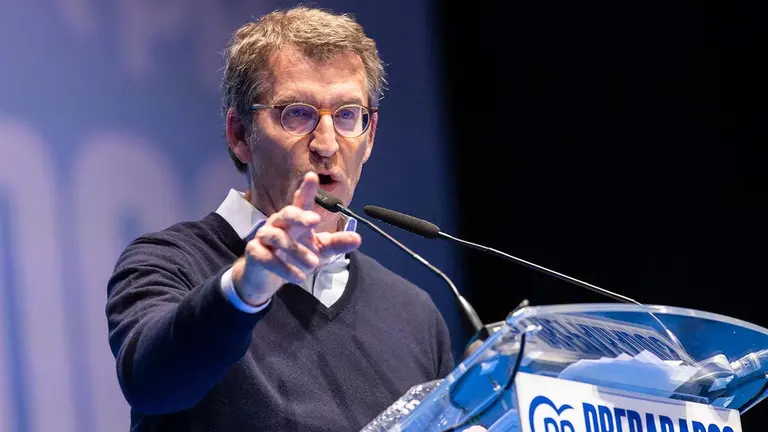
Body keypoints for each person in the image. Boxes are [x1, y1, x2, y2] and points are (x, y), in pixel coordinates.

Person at [105, 6, 487, 431]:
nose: (326, 144)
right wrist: (245, 289)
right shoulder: (168, 262)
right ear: (239, 135)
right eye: (298, 113)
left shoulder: (415, 314)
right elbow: (152, 384)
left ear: (371, 135)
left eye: (346, 115)